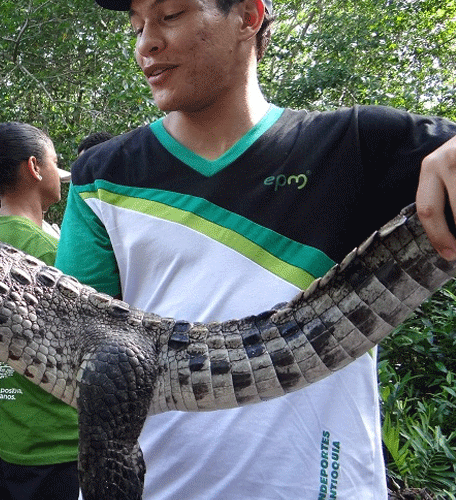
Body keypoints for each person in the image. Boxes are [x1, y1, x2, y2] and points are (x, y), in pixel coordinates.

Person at [52, 0, 456, 499]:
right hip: (154, 484)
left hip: (323, 484)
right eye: (137, 26)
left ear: (247, 15)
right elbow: (75, 343)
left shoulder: (357, 144)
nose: (145, 43)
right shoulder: (102, 174)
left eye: (170, 15)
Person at [0, 121, 80, 500]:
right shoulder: (45, 251)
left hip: (10, 437)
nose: (61, 174)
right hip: (59, 441)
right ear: (34, 167)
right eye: (55, 162)